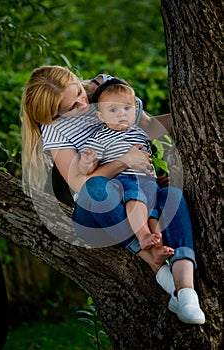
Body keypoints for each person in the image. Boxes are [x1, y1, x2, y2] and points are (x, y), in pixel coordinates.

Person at [21, 65, 205, 324]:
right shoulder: (54, 128)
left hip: (137, 189)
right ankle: (148, 256)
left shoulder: (107, 87)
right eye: (71, 107)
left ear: (76, 80)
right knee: (97, 189)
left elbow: (147, 129)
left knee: (171, 194)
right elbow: (79, 184)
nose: (83, 105)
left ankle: (186, 292)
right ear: (54, 115)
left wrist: (189, 115)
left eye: (80, 94)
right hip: (99, 213)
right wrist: (125, 161)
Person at [78, 78, 163, 251]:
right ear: (101, 116)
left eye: (127, 108)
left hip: (146, 180)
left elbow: (147, 159)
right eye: (113, 110)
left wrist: (154, 175)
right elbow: (87, 171)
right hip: (123, 180)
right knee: (135, 197)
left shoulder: (140, 133)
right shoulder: (101, 137)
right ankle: (143, 236)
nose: (121, 114)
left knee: (154, 209)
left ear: (135, 110)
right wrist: (87, 162)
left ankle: (158, 247)